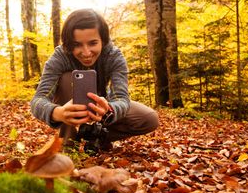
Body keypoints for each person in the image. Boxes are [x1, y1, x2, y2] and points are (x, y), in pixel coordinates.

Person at [30, 8, 159, 153]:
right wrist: (58, 113)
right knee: (67, 78)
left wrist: (109, 110)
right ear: (68, 43)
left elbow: (121, 98)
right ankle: (68, 145)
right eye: (77, 44)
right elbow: (37, 100)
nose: (86, 53)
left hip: (102, 107)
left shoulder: (114, 57)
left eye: (92, 43)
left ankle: (95, 136)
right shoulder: (60, 57)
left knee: (149, 118)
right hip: (69, 109)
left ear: (103, 40)